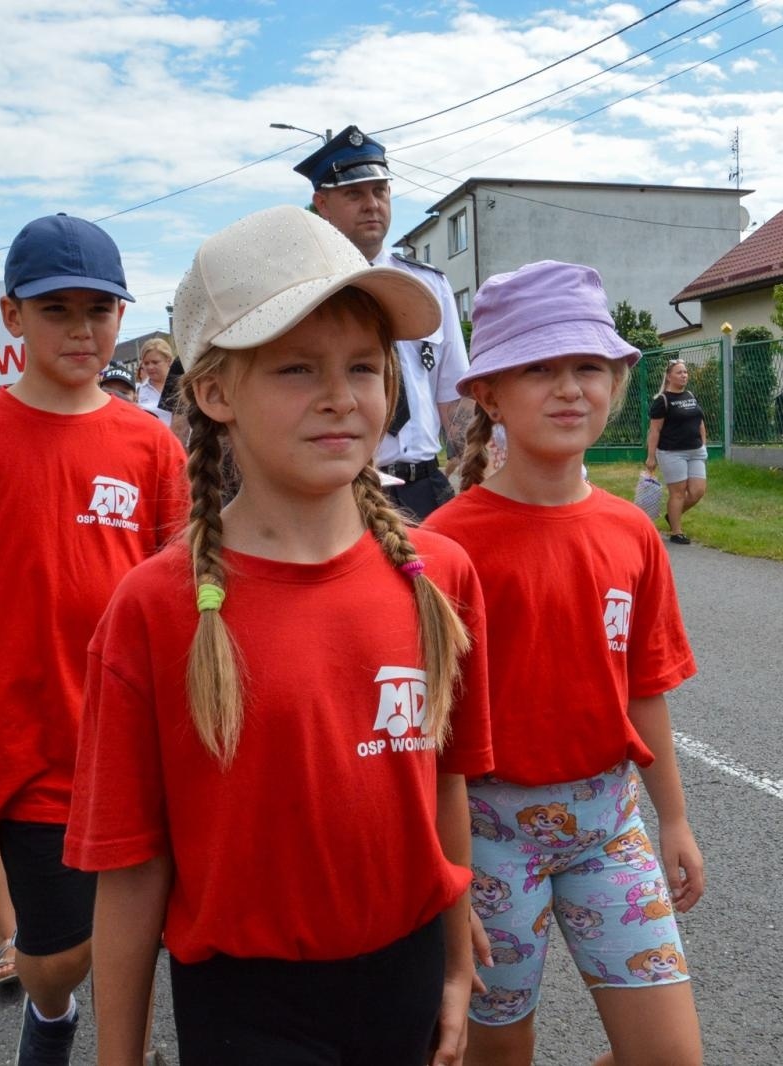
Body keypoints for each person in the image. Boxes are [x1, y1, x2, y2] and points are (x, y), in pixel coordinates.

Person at [66, 205, 493, 1066]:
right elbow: (132, 865)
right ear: (216, 392)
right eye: (298, 368)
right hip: (243, 1004)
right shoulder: (156, 608)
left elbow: (443, 788)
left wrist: (453, 964)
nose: (342, 396)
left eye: (364, 368)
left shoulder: (439, 576)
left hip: (405, 978)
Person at [0, 213, 187, 1066]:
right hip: (28, 745)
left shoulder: (150, 444)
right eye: (59, 310)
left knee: (161, 922)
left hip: (140, 738)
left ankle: (128, 1043)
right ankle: (53, 1013)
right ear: (13, 316)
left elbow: (183, 591)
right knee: (56, 954)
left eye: (102, 308)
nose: (84, 329)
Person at [425, 260, 705, 1066]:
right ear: (488, 394)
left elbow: (645, 685)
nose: (568, 388)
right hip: (485, 837)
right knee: (500, 1051)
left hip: (608, 826)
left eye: (588, 366)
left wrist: (674, 819)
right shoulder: (443, 544)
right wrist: (442, 876)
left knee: (670, 1057)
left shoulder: (633, 533)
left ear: (618, 382)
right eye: (539, 368)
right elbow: (421, 732)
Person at [296, 125, 470, 519]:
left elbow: (453, 396)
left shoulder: (429, 285)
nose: (371, 204)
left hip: (425, 488)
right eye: (353, 194)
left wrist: (472, 468)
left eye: (380, 191)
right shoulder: (306, 290)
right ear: (322, 204)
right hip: (342, 488)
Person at [644, 358, 708, 545]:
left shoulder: (690, 395)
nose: (684, 375)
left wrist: (703, 443)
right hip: (672, 452)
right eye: (679, 372)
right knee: (678, 493)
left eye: (685, 372)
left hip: (695, 451)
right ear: (669, 376)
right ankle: (676, 531)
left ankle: (672, 516)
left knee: (697, 491)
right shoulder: (662, 400)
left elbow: (700, 421)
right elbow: (654, 430)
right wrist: (651, 456)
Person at [136, 337, 172, 414]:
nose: (150, 367)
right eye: (146, 363)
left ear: (168, 361)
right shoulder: (137, 391)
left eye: (155, 362)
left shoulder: (182, 387)